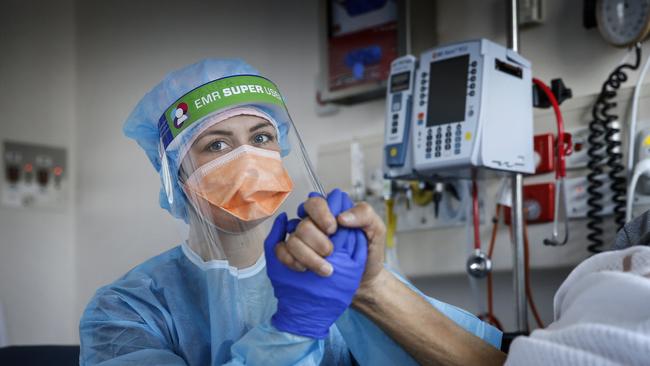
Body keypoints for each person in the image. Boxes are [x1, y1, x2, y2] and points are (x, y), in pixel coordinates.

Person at [79, 59, 502, 365]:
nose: (248, 157)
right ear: (174, 175)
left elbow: (484, 355)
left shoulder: (328, 265)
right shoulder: (127, 309)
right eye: (217, 145)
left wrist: (372, 288)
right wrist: (293, 329)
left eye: (262, 137)